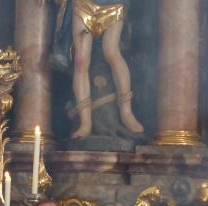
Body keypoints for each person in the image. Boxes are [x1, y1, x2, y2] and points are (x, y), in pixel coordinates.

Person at [50, 0, 144, 138]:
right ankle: (85, 122)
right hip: (83, 3)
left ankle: (126, 113)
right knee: (81, 59)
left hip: (113, 3)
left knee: (111, 52)